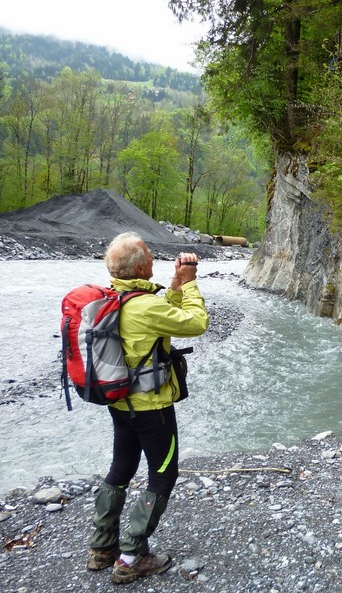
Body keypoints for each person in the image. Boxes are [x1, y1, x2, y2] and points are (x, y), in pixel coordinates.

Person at [86, 232, 209, 584]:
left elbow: (162, 316)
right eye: (151, 256)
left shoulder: (113, 298)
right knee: (163, 473)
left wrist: (174, 285)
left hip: (120, 402)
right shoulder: (145, 305)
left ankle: (102, 547)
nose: (155, 259)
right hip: (151, 407)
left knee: (122, 466)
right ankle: (131, 557)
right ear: (140, 266)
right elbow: (196, 323)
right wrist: (191, 284)